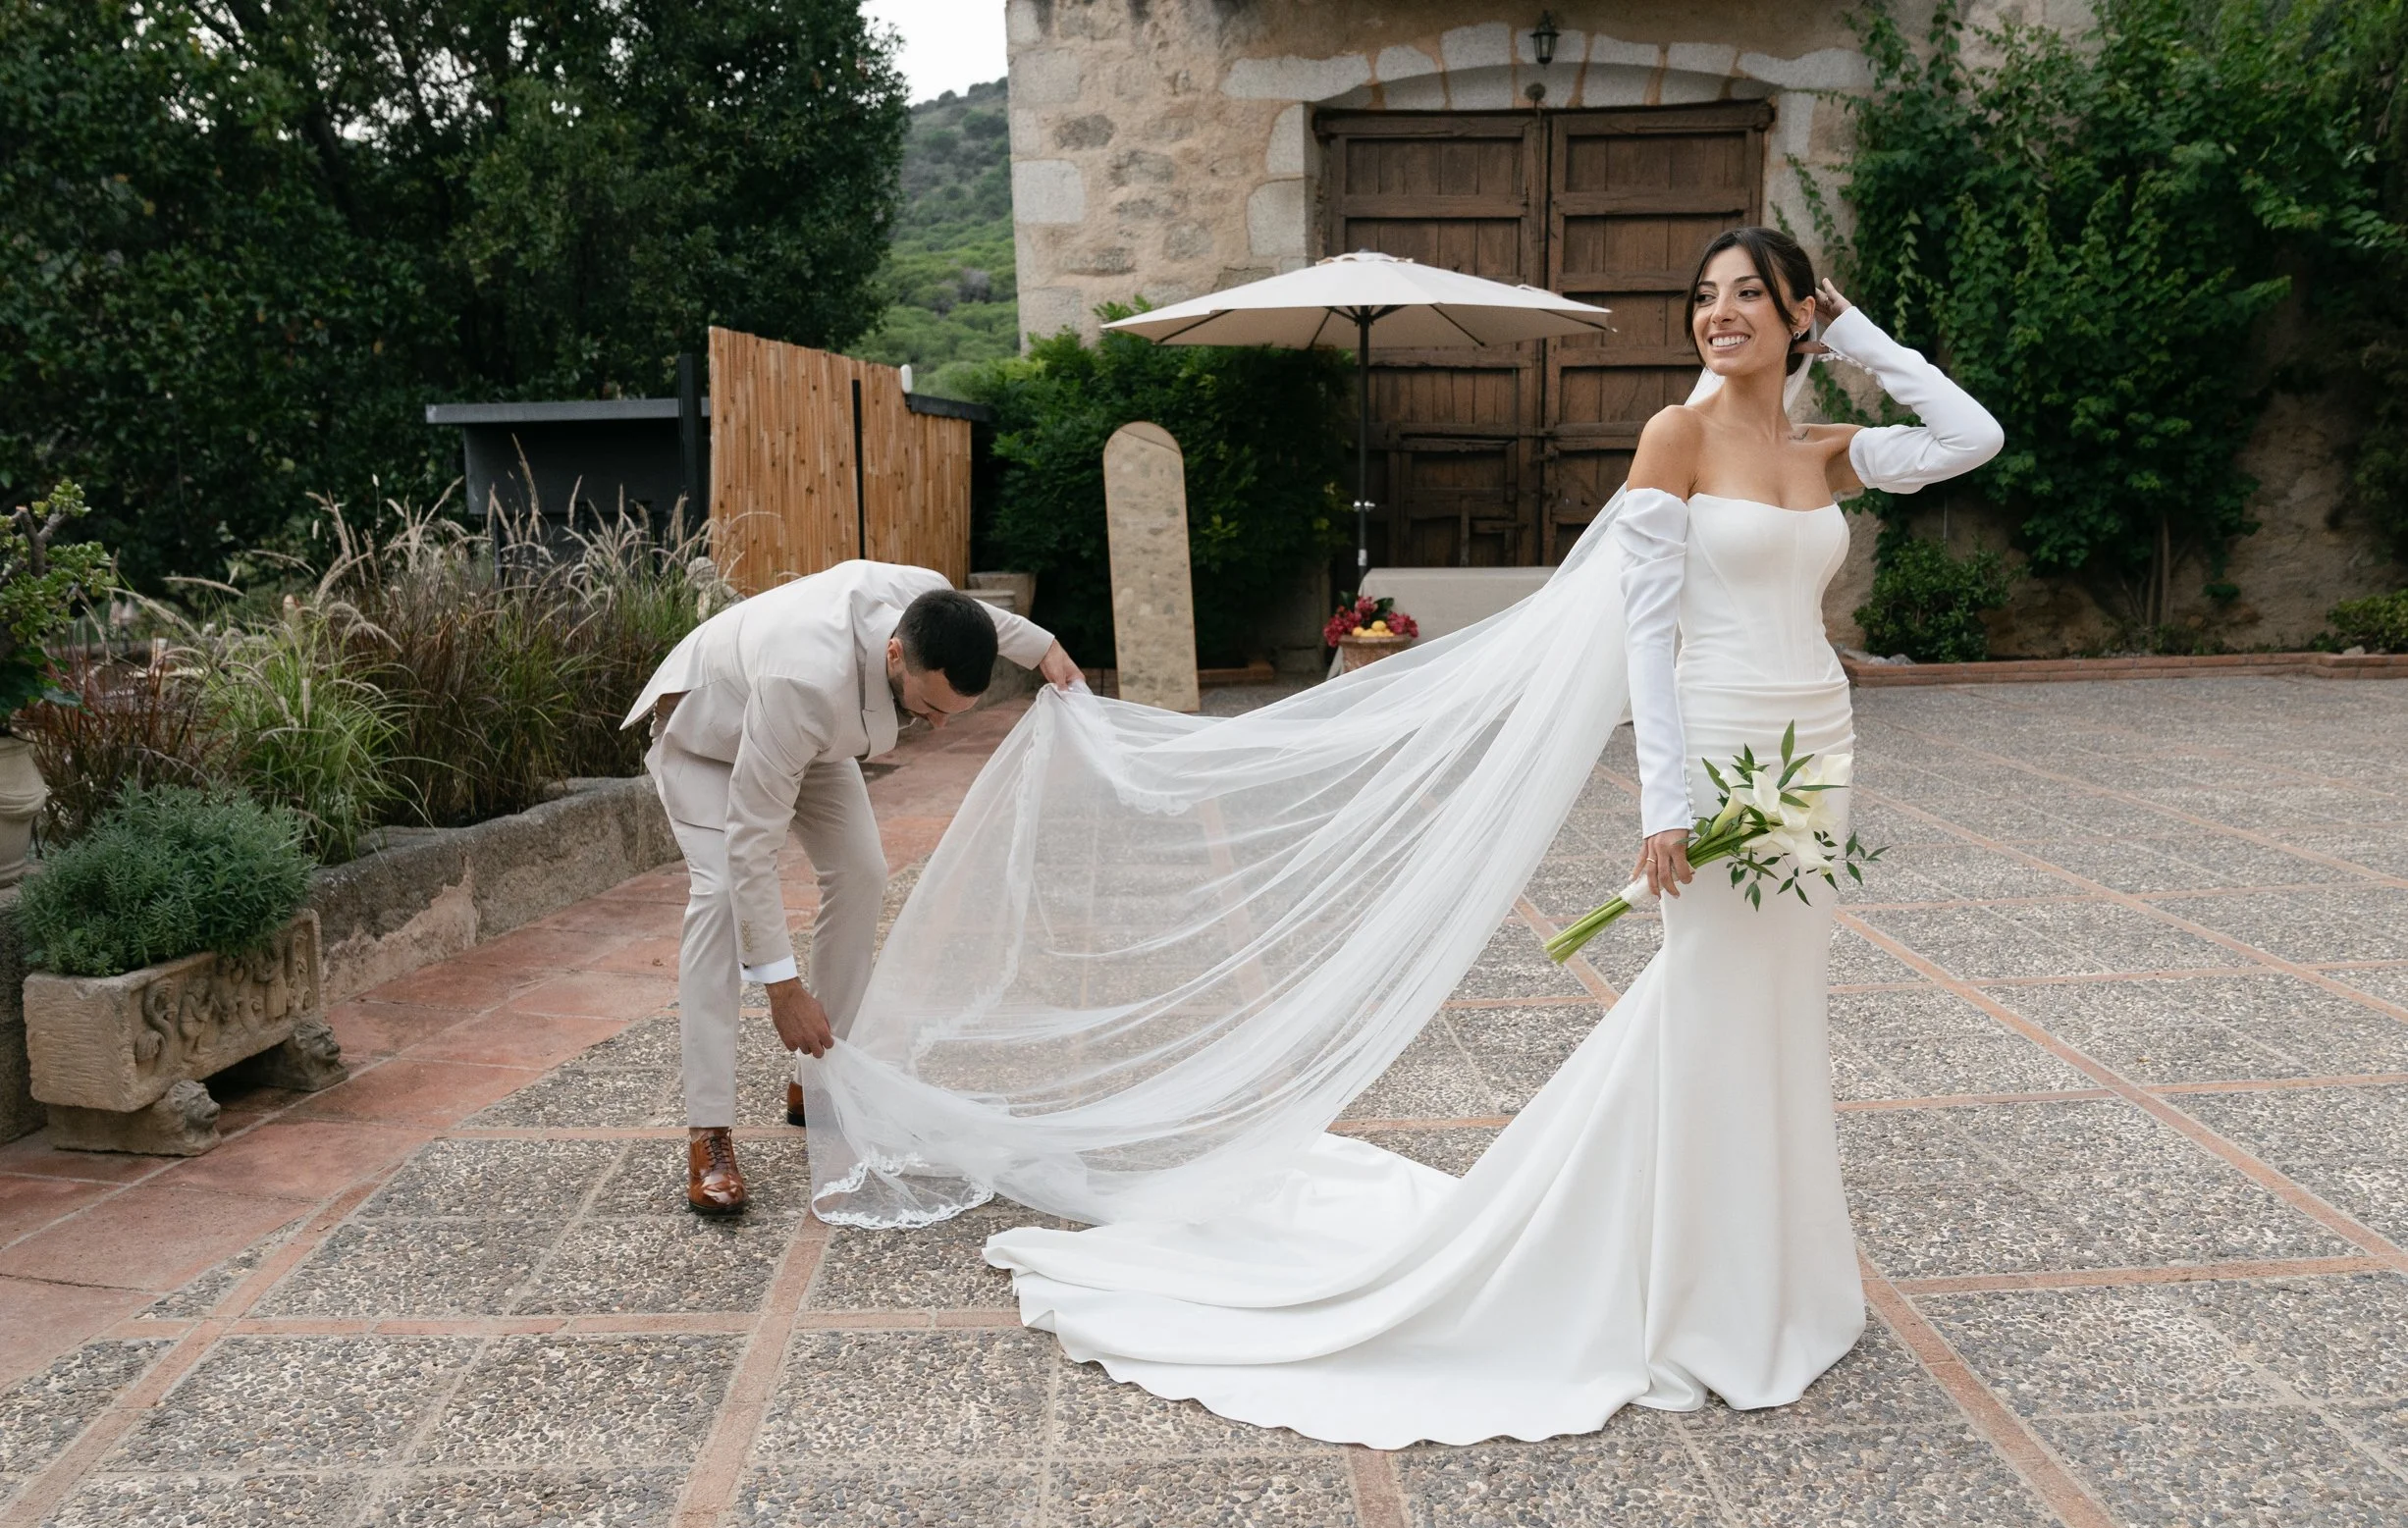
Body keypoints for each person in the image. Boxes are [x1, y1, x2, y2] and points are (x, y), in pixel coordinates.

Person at [806, 227, 2000, 1448]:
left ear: (1799, 311)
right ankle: (1682, 1279)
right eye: (1704, 296)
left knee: (1780, 1006)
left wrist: (1855, 335)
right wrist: (1664, 800)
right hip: (1724, 745)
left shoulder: (1823, 453)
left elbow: (1970, 439)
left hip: (1817, 754)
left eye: (1752, 295)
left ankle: (1772, 1270)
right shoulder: (1673, 439)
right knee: (1706, 998)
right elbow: (1647, 632)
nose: (1718, 314)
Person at [622, 560, 1079, 1213]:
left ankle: (820, 1081)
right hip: (708, 737)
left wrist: (1046, 650)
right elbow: (753, 842)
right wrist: (781, 989)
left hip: (806, 738)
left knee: (862, 870)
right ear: (895, 652)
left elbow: (977, 620)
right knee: (721, 895)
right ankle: (710, 1131)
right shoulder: (802, 679)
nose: (939, 726)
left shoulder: (914, 599)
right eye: (928, 708)